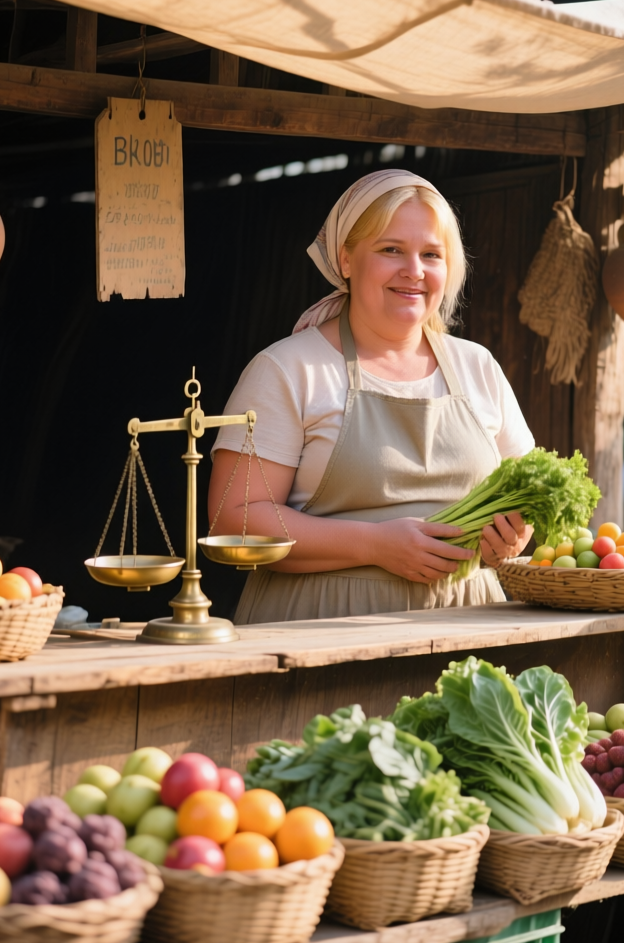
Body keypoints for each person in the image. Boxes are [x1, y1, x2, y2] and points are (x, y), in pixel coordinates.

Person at [209, 169, 535, 623]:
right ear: (346, 259)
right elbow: (234, 519)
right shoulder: (288, 370)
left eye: (431, 254)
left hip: (469, 623)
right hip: (321, 627)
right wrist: (374, 545)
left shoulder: (478, 367)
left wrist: (512, 538)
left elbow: (528, 495)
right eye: (391, 250)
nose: (414, 271)